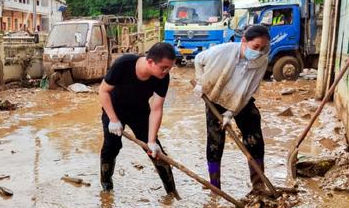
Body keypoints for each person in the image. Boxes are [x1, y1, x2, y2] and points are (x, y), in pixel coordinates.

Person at [193, 25, 271, 194]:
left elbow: (250, 89)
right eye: (255, 47)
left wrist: (231, 113)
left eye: (263, 47)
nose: (259, 51)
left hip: (241, 101)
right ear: (244, 41)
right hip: (215, 98)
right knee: (215, 142)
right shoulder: (223, 50)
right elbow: (198, 59)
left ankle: (258, 187)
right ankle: (215, 187)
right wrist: (200, 83)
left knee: (254, 140)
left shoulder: (262, 60)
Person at [98, 42, 178, 197]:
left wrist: (152, 141)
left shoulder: (162, 77)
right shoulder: (124, 64)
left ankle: (172, 192)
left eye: (169, 68)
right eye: (163, 67)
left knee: (156, 152)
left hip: (140, 111)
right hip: (114, 109)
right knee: (111, 147)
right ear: (150, 62)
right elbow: (103, 91)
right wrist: (113, 119)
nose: (166, 71)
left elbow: (156, 109)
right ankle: (106, 188)